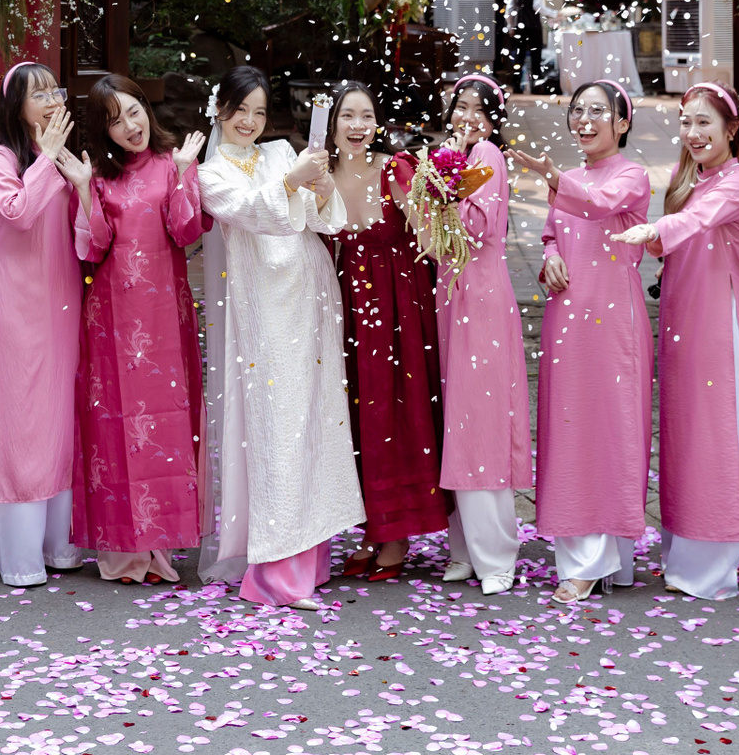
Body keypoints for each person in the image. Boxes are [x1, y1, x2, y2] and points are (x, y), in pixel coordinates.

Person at [196, 65, 364, 610]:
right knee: (278, 427)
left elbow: (323, 221)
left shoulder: (279, 152)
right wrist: (291, 182)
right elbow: (250, 212)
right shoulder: (210, 173)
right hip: (265, 311)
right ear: (220, 110)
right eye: (239, 110)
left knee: (316, 420)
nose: (249, 121)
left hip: (310, 297)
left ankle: (311, 558)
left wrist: (321, 185)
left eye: (259, 112)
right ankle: (275, 574)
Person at [611, 82, 739, 600]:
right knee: (683, 434)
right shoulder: (686, 176)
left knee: (715, 434)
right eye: (686, 122)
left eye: (704, 123)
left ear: (731, 130)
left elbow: (697, 220)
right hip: (681, 317)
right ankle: (682, 555)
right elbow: (678, 240)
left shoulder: (736, 184)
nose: (692, 133)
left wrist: (654, 230)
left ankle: (710, 568)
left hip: (718, 322)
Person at [64, 73, 209, 584]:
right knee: (114, 427)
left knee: (165, 426)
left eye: (133, 111)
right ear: (102, 131)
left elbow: (186, 231)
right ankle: (123, 553)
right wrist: (83, 190)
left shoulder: (173, 163)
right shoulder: (99, 177)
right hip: (111, 317)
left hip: (165, 316)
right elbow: (94, 246)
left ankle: (159, 550)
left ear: (146, 108)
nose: (130, 125)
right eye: (115, 120)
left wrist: (184, 174)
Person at [514, 80, 652, 605]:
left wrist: (552, 178)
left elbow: (597, 206)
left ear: (622, 122)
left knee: (610, 430)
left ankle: (597, 561)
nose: (585, 120)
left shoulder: (632, 176)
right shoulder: (570, 178)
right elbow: (554, 232)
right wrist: (550, 257)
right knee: (570, 431)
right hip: (567, 317)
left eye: (598, 111)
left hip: (613, 321)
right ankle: (592, 557)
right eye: (578, 110)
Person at [326, 80, 448, 581]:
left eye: (367, 116)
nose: (358, 126)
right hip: (348, 302)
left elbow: (432, 240)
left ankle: (396, 535)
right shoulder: (321, 174)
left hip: (399, 305)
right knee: (358, 411)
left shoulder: (394, 169)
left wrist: (438, 198)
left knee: (393, 409)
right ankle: (373, 530)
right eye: (347, 116)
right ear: (332, 124)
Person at [0, 62, 84, 586]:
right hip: (18, 304)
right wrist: (46, 158)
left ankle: (59, 546)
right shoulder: (1, 159)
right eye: (37, 94)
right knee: (21, 417)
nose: (50, 100)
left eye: (54, 92)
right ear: (16, 107)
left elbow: (84, 225)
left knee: (58, 415)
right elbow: (17, 214)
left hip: (62, 297)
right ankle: (21, 556)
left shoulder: (63, 157)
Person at [430, 74, 531, 596]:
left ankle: (496, 555)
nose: (467, 117)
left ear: (493, 120)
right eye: (460, 107)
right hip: (453, 294)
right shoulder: (453, 157)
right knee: (458, 419)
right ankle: (465, 548)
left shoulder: (487, 155)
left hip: (483, 298)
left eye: (478, 109)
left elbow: (476, 226)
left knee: (481, 421)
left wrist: (445, 182)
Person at [504, 0, 550, 94]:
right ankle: (536, 86)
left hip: (519, 26)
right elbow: (537, 6)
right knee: (536, 56)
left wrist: (510, 26)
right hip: (533, 26)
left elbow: (509, 9)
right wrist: (552, 13)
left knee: (519, 56)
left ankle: (516, 85)